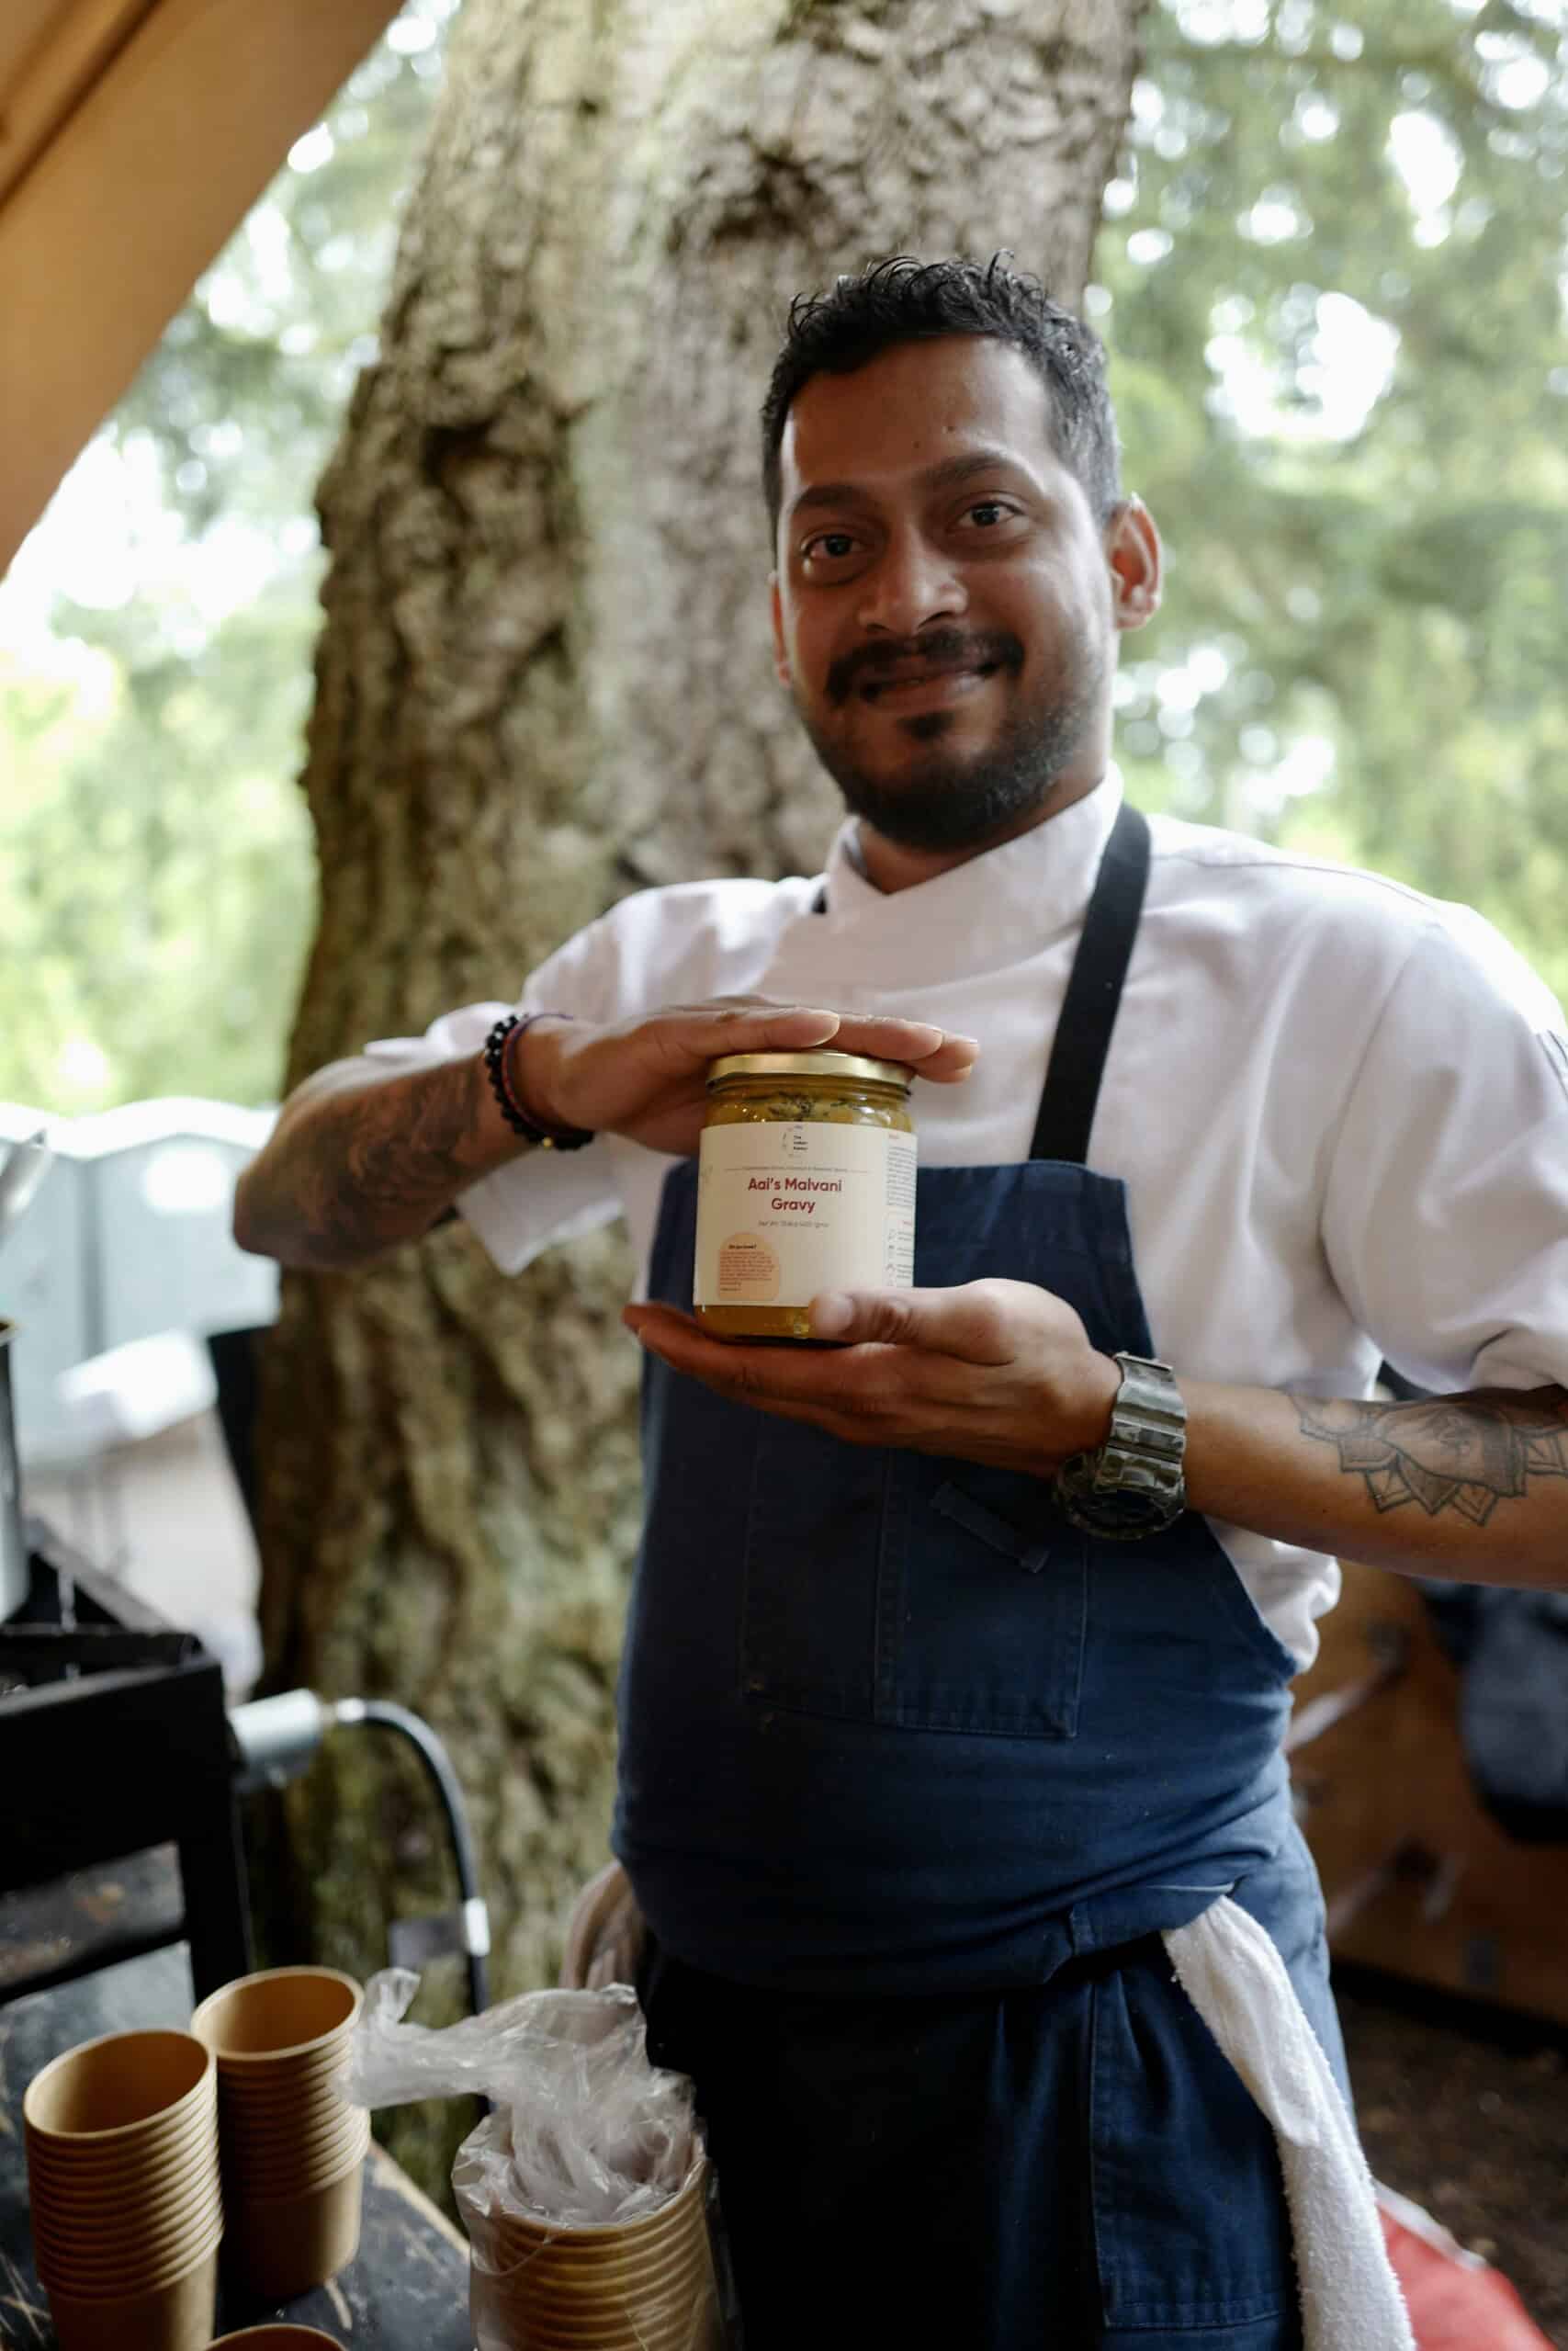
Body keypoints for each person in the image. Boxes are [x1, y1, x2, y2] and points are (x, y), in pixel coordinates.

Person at [235, 255, 1568, 2348]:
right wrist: (543, 1079)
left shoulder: (1353, 982)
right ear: (777, 613)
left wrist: (1117, 1415)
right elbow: (289, 1205)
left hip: (1105, 2081)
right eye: (829, 544)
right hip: (700, 2054)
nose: (901, 592)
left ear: (1119, 559)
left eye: (979, 513)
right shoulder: (679, 967)